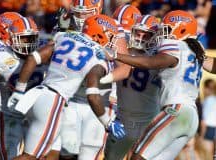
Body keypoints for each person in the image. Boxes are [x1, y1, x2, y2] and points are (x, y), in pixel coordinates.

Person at [11, 14, 127, 160]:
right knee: (30, 157)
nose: (111, 41)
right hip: (54, 102)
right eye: (110, 36)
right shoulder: (98, 56)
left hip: (35, 95)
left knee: (42, 154)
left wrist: (19, 90)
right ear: (100, 34)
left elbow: (33, 58)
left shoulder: (63, 36)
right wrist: (108, 122)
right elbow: (92, 95)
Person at [101, 10, 204, 160]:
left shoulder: (172, 48)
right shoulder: (194, 51)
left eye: (167, 30)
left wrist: (116, 55)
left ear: (181, 31)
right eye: (138, 32)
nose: (164, 34)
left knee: (137, 157)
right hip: (187, 115)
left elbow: (150, 62)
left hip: (170, 112)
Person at [0, 13, 48, 160]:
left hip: (38, 114)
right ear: (11, 38)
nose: (28, 43)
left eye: (31, 38)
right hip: (12, 115)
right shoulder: (3, 57)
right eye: (23, 38)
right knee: (8, 156)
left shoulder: (44, 51)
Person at [103, 15, 161, 160]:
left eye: (146, 35)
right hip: (124, 119)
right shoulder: (123, 51)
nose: (141, 38)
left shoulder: (160, 57)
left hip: (149, 121)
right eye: (138, 33)